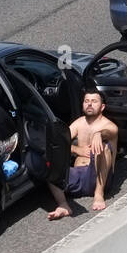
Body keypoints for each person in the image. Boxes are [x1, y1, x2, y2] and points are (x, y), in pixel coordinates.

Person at [47, 90, 120, 219]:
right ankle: (63, 205)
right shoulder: (79, 123)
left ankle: (99, 194)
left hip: (98, 177)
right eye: (86, 101)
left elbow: (111, 132)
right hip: (78, 176)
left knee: (103, 147)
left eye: (94, 101)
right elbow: (59, 143)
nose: (89, 104)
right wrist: (77, 150)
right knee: (50, 161)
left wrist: (99, 134)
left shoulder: (109, 125)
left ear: (102, 107)